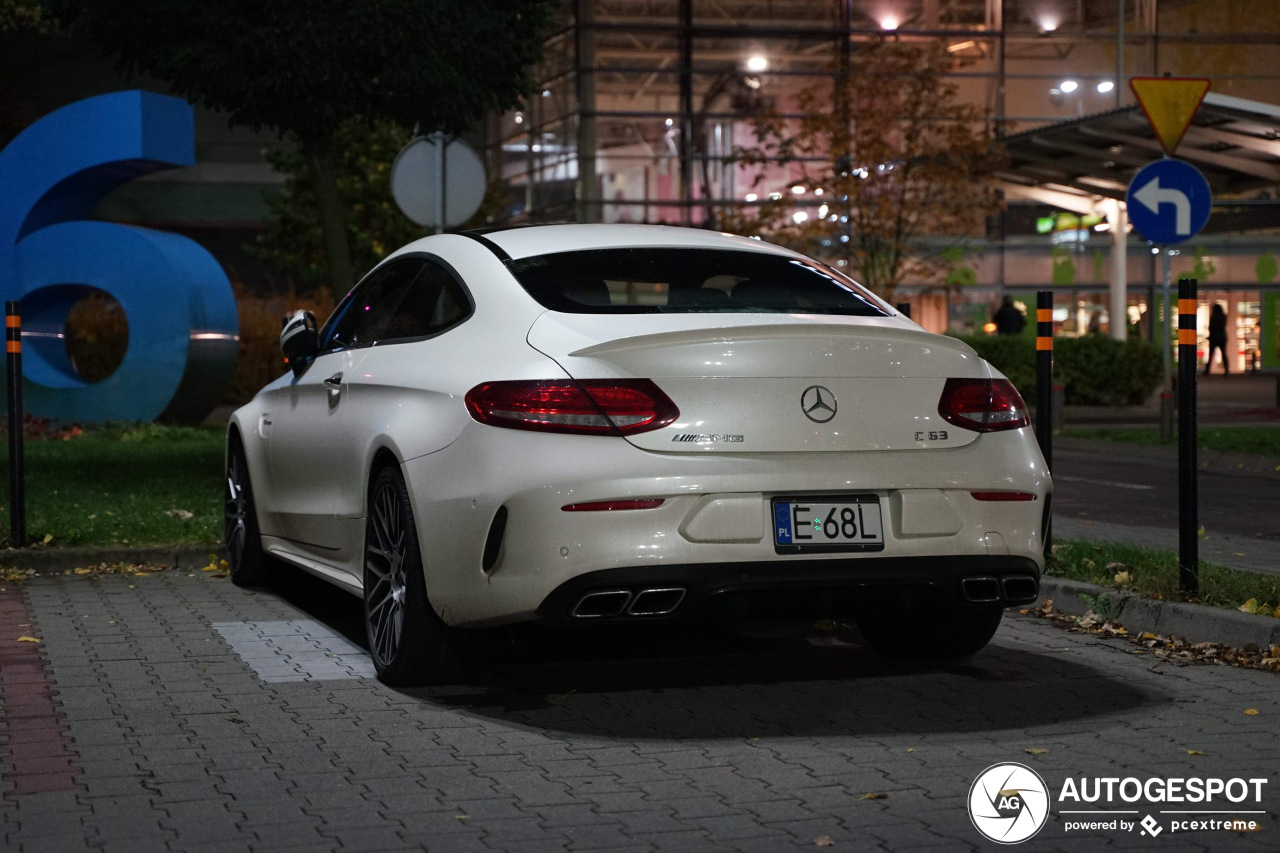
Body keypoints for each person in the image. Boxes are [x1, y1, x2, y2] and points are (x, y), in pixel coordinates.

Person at [1206, 303, 1229, 376]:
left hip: (1214, 337)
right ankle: (1226, 370)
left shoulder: (1213, 317)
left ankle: (1207, 370)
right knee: (1224, 354)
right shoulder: (1224, 317)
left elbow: (1211, 327)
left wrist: (1210, 335)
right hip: (1222, 337)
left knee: (1211, 355)